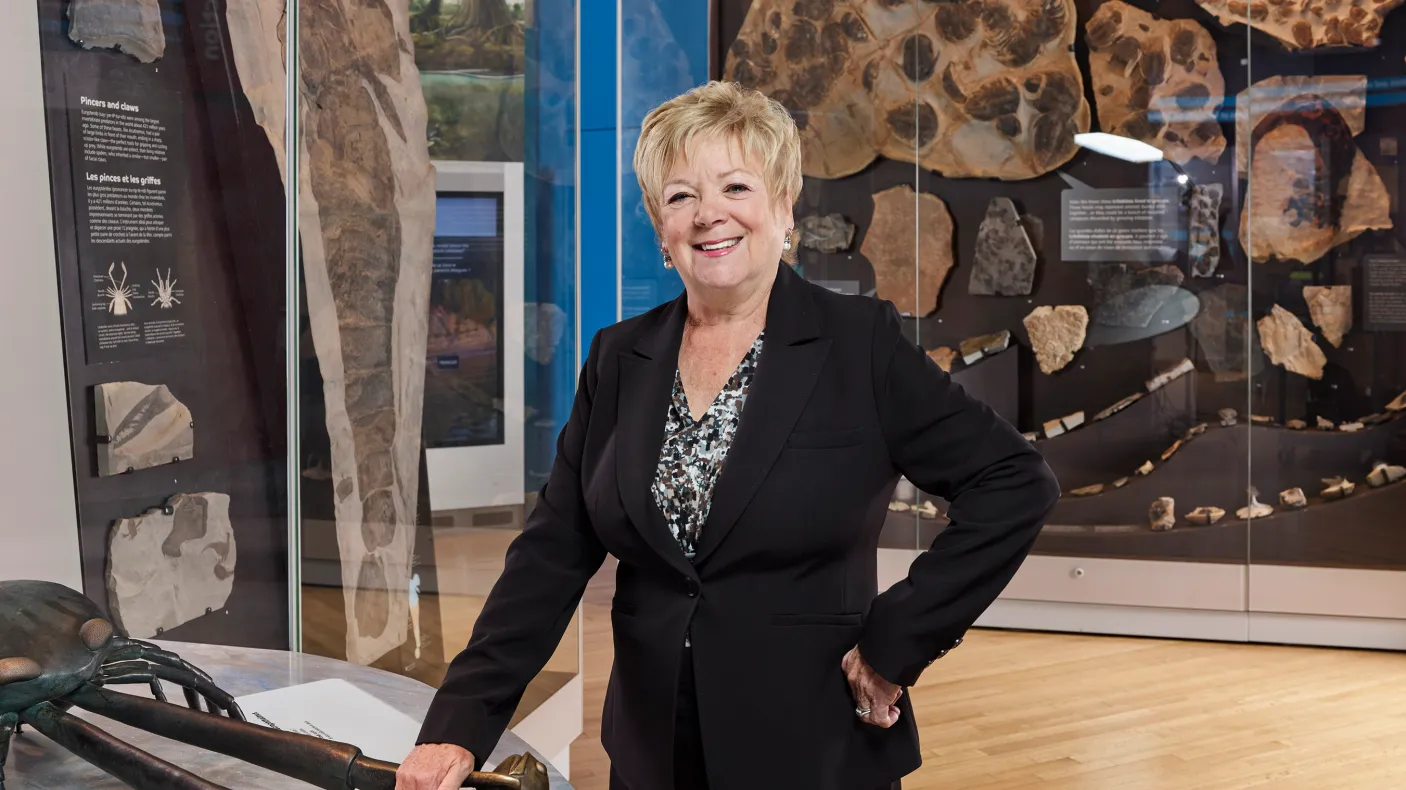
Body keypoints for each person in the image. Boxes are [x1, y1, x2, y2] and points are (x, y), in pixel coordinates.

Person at [396, 80, 1061, 790]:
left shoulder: (858, 344)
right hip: (654, 756)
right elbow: (551, 555)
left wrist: (896, 642)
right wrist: (458, 727)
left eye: (735, 187)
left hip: (815, 754)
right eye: (680, 196)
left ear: (782, 208)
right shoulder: (620, 357)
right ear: (660, 229)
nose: (709, 215)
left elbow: (1014, 483)